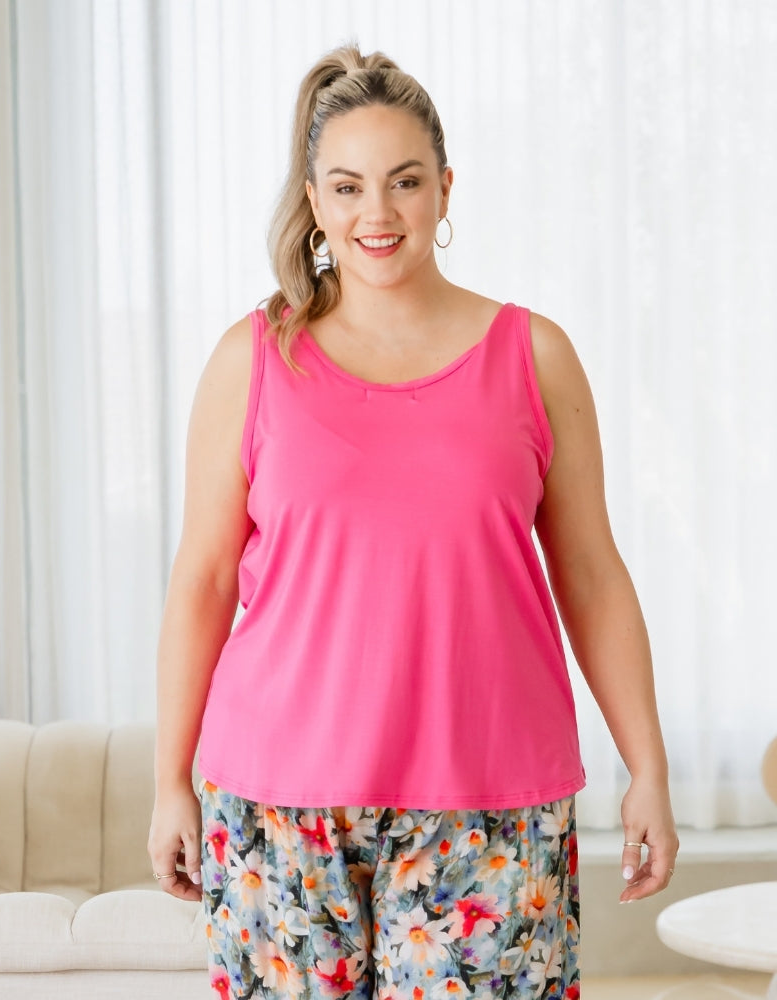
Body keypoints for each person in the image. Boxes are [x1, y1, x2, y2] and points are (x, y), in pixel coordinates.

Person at [148, 43, 679, 1000]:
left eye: (403, 182)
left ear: (444, 187)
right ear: (314, 199)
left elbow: (593, 575)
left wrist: (648, 767)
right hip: (276, 806)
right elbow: (203, 582)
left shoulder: (534, 354)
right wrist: (167, 782)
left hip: (490, 806)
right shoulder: (253, 360)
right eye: (348, 187)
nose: (377, 213)